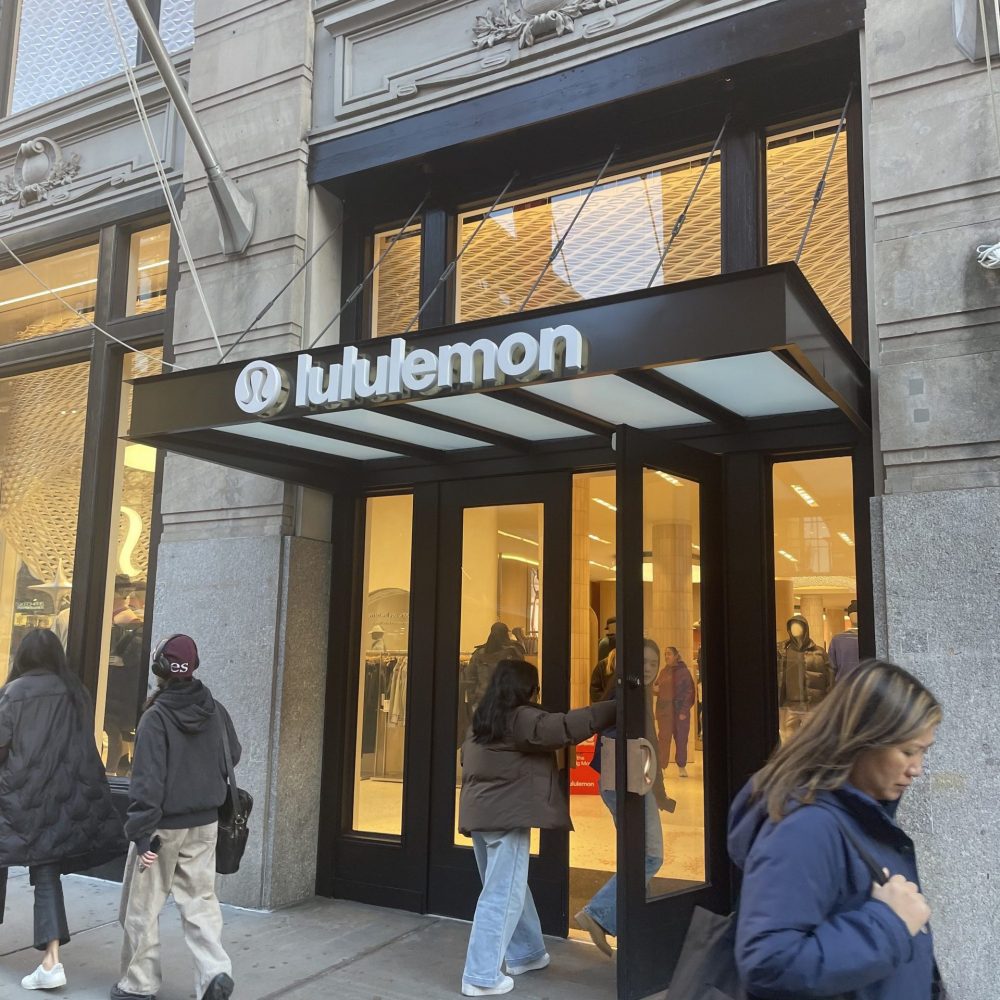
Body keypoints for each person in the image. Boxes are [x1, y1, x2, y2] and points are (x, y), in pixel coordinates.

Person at [728, 659, 941, 1000]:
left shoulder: (862, 814)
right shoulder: (806, 829)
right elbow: (769, 963)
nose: (917, 768)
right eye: (907, 751)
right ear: (862, 739)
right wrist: (890, 926)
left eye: (923, 752)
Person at [458, 658, 615, 996]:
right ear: (524, 688)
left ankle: (527, 954)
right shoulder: (519, 717)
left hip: (481, 817)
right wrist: (614, 707)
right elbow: (563, 728)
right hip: (506, 817)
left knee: (509, 886)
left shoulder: (482, 721)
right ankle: (480, 976)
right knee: (503, 894)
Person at [112, 634, 242, 1000]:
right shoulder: (214, 709)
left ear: (159, 669)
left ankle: (138, 985)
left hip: (161, 830)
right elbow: (233, 754)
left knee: (141, 908)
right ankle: (215, 973)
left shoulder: (156, 717)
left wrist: (140, 833)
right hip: (205, 824)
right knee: (200, 902)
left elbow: (146, 783)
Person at [0, 628, 125, 991]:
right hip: (60, 798)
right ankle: (51, 961)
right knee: (46, 874)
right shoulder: (77, 692)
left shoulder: (14, 693)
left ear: (23, 657)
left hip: (16, 796)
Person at [577, 641, 676, 955]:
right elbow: (615, 739)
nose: (648, 668)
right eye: (642, 662)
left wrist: (657, 791)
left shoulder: (637, 693)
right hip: (626, 783)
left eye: (652, 663)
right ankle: (597, 914)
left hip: (629, 782)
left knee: (637, 856)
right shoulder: (626, 695)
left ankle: (634, 929)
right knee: (649, 856)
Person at [653, 646, 696, 777]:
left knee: (681, 739)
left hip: (679, 712)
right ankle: (662, 767)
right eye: (665, 654)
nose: (666, 657)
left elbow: (690, 692)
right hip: (665, 712)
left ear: (676, 656)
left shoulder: (684, 672)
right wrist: (654, 689)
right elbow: (656, 688)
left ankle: (682, 766)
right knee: (664, 739)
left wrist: (684, 710)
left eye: (669, 654)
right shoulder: (663, 672)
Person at [467, 622, 524, 708]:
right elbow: (521, 677)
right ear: (506, 634)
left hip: (482, 700)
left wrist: (473, 697)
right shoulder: (513, 652)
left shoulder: (478, 653)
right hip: (506, 701)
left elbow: (469, 677)